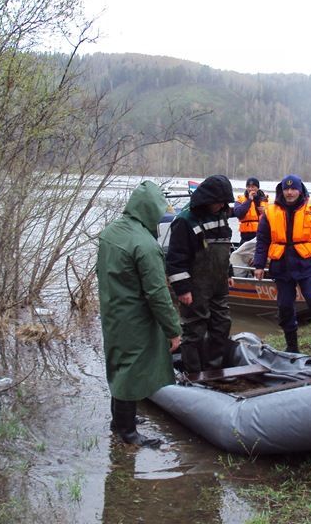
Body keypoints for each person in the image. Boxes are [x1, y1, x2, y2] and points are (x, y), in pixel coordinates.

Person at [96, 181, 182, 447]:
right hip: (134, 316)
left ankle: (120, 420)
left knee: (120, 363)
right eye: (157, 211)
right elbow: (157, 293)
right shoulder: (145, 244)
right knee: (131, 369)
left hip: (112, 310)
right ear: (148, 210)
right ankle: (127, 432)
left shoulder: (111, 231)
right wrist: (173, 330)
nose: (159, 217)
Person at [252, 174, 311, 358]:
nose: (290, 192)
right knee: (284, 306)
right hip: (281, 265)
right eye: (286, 189)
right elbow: (262, 241)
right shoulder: (270, 212)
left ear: (300, 190)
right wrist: (259, 265)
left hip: (305, 264)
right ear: (282, 190)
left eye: (293, 189)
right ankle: (292, 347)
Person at [166, 174, 235, 373]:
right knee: (194, 331)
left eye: (224, 202)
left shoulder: (221, 214)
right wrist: (182, 289)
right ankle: (193, 373)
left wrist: (227, 272)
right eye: (218, 201)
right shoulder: (184, 221)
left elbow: (224, 249)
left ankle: (214, 369)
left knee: (222, 324)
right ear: (207, 199)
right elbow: (175, 259)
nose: (221, 205)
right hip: (195, 286)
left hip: (218, 283)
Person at [233, 177, 268, 242]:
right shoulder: (240, 199)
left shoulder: (266, 200)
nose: (250, 189)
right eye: (248, 187)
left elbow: (275, 216)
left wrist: (266, 212)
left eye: (253, 187)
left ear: (257, 188)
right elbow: (238, 213)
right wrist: (249, 200)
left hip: (262, 235)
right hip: (246, 236)